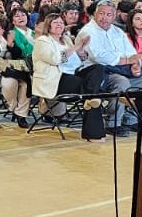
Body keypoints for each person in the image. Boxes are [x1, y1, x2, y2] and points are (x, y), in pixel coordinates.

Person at [76, 0, 142, 135]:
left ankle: (131, 119)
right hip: (97, 74)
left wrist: (135, 65)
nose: (104, 17)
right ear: (95, 14)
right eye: (101, 13)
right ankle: (113, 122)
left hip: (122, 69)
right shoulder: (88, 31)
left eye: (109, 14)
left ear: (114, 16)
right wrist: (127, 60)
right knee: (121, 82)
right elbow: (99, 57)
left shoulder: (117, 31)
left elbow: (131, 52)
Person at [31, 13, 105, 141]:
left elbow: (76, 62)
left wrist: (81, 54)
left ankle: (90, 98)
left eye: (61, 22)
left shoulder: (66, 39)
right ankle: (94, 134)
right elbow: (56, 59)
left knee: (98, 68)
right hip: (55, 79)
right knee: (93, 93)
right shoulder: (42, 41)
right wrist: (76, 47)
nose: (59, 25)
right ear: (48, 26)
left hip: (72, 74)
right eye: (55, 23)